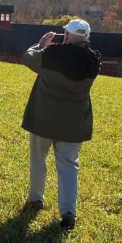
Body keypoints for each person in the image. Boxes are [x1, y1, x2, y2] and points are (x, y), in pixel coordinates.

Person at [21, 19, 101, 230]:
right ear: (87, 38)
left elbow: (27, 58)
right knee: (68, 168)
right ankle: (68, 214)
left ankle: (36, 200)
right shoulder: (93, 62)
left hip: (43, 119)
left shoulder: (51, 55)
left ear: (66, 36)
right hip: (73, 125)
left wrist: (41, 45)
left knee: (38, 160)